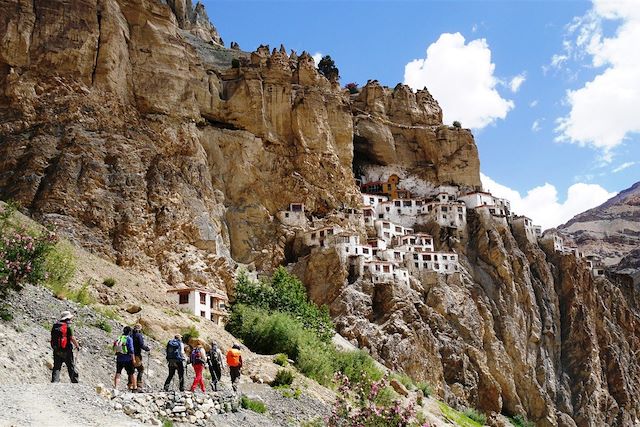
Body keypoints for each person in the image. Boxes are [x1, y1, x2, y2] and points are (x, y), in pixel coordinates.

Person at [50, 311, 80, 383]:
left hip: (57, 350)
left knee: (57, 367)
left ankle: (55, 382)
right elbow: (72, 338)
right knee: (70, 366)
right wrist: (77, 346)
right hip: (67, 350)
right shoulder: (68, 326)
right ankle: (75, 382)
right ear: (68, 318)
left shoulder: (55, 326)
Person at [113, 326, 136, 391]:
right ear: (129, 332)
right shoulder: (129, 338)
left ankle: (116, 387)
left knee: (118, 372)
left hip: (119, 358)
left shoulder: (119, 337)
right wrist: (133, 359)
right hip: (128, 359)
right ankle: (134, 387)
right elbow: (131, 350)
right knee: (132, 373)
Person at [130, 324, 150, 391]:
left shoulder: (130, 334)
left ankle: (130, 385)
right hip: (136, 355)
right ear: (140, 329)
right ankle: (138, 385)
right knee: (141, 369)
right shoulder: (138, 335)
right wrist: (147, 348)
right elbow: (141, 344)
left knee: (131, 370)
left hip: (129, 355)